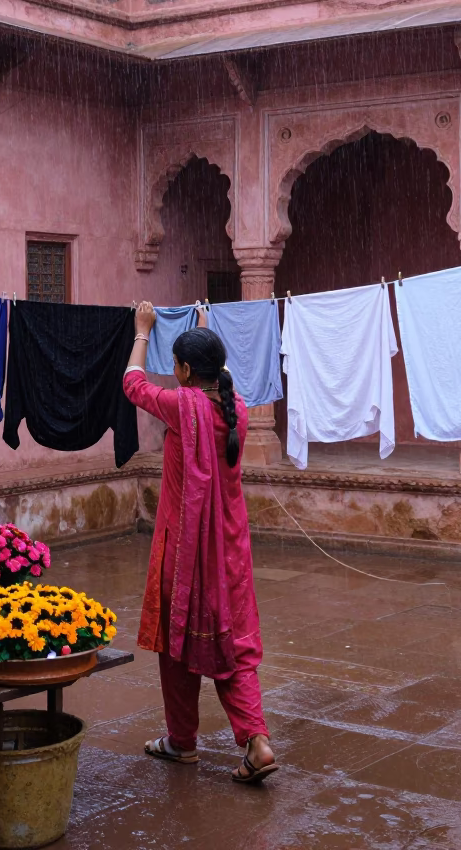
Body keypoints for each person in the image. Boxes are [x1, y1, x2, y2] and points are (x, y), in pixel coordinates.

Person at [123, 301, 278, 784]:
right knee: (234, 646)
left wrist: (142, 331)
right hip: (230, 552)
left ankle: (182, 741)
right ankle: (256, 740)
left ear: (185, 370)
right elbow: (219, 375)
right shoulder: (238, 410)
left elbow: (132, 383)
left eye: (178, 367)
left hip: (183, 551)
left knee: (178, 645)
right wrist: (207, 330)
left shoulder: (180, 405)